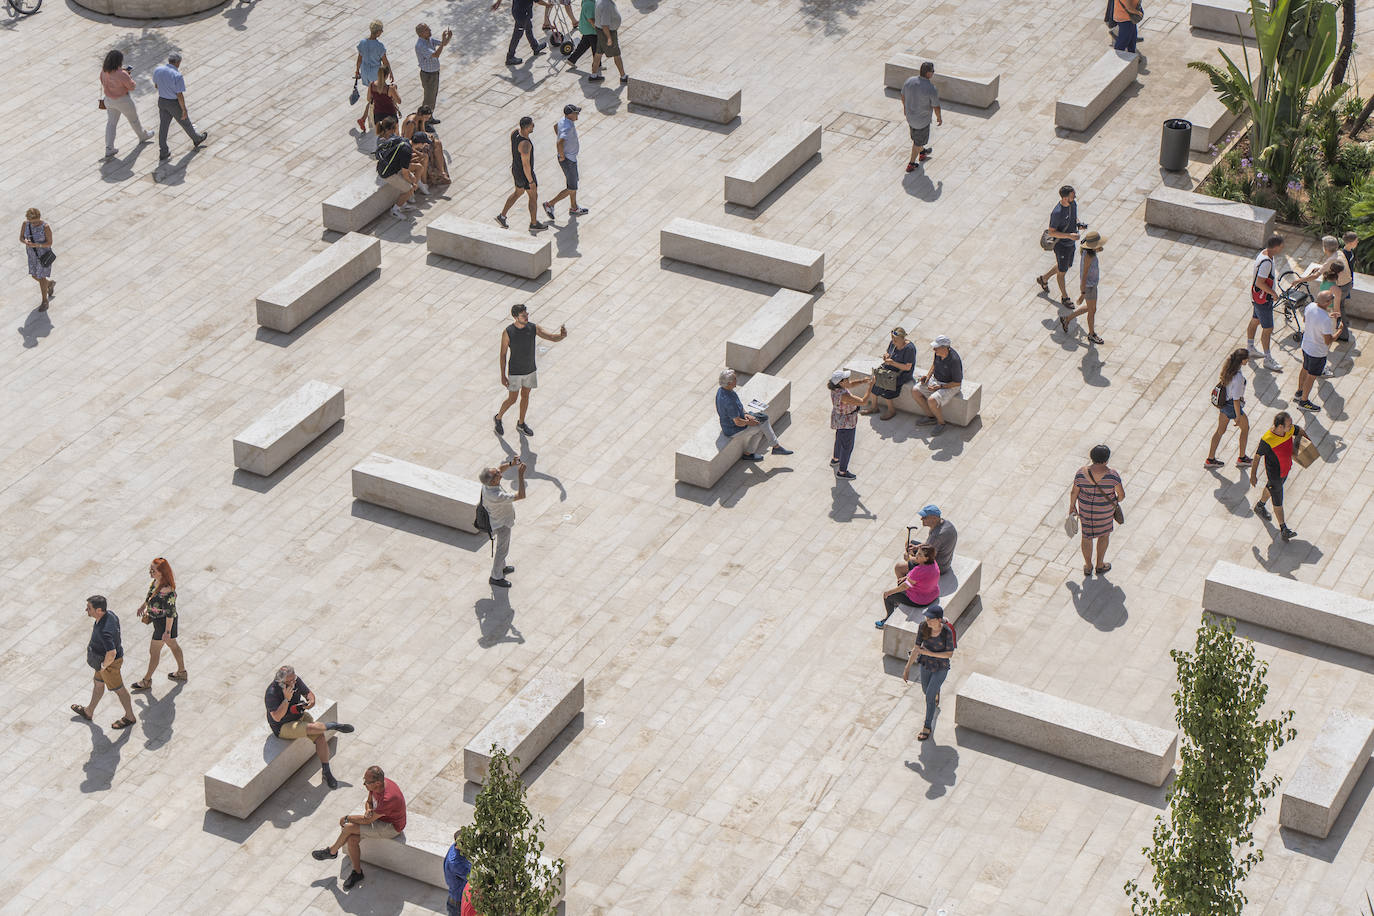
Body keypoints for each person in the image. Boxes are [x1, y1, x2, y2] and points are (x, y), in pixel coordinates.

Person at [312, 765, 407, 890]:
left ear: (377, 782)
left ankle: (332, 851)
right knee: (352, 839)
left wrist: (346, 818)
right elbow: (369, 802)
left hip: (391, 827)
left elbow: (367, 821)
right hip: (380, 819)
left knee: (349, 827)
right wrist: (368, 810)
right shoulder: (376, 786)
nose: (364, 784)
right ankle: (357, 873)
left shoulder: (388, 798)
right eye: (364, 780)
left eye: (367, 782)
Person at [265, 665, 354, 788]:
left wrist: (310, 702)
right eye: (289, 681)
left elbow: (309, 694)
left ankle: (326, 771)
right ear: (280, 682)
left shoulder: (295, 681)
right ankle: (333, 725)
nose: (293, 682)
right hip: (283, 726)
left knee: (320, 738)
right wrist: (286, 699)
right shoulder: (272, 693)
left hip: (298, 715)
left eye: (294, 679)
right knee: (310, 728)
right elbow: (277, 717)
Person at [494, 304, 566, 437]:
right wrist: (503, 375)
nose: (526, 316)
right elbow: (503, 354)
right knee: (512, 399)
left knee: (525, 396)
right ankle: (498, 418)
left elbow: (550, 337)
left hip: (530, 370)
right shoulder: (508, 332)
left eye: (526, 314)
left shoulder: (533, 327)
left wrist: (561, 336)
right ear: (515, 317)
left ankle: (521, 423)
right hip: (515, 372)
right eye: (523, 315)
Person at [71, 596, 138, 730]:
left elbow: (111, 652)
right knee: (98, 683)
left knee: (119, 689)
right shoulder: (110, 615)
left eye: (89, 608)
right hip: (103, 662)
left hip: (108, 664)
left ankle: (130, 716)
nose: (86, 610)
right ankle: (89, 711)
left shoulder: (104, 630)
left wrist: (103, 666)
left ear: (99, 610)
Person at [129, 557, 186, 689]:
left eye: (153, 570)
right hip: (159, 622)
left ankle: (146, 680)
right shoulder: (156, 582)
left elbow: (170, 614)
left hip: (164, 624)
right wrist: (144, 605)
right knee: (173, 645)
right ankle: (182, 672)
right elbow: (150, 596)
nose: (150, 572)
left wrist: (166, 632)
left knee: (154, 652)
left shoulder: (168, 592)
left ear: (161, 572)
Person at [1068, 444, 1125, 576]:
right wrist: (1116, 501)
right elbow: (1121, 495)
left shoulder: (1081, 472)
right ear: (1106, 460)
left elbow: (1074, 492)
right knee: (1104, 535)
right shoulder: (1112, 475)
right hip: (1105, 512)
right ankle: (1100, 564)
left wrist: (1072, 506)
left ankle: (1088, 566)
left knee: (1086, 537)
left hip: (1086, 511)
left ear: (1091, 457)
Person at [901, 607, 956, 742]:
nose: (927, 621)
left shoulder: (946, 632)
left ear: (938, 620)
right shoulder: (923, 627)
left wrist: (928, 653)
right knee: (926, 690)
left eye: (930, 619)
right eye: (926, 618)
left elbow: (949, 654)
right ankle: (935, 691)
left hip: (941, 667)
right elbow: (917, 648)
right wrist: (907, 668)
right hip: (926, 664)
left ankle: (927, 726)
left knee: (929, 697)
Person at [716, 369, 793, 464]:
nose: (737, 380)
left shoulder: (723, 391)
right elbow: (738, 422)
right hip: (733, 429)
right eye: (735, 379)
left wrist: (746, 414)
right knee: (761, 427)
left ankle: (772, 447)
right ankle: (771, 448)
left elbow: (739, 406)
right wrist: (749, 422)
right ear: (729, 383)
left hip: (734, 421)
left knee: (763, 419)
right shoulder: (729, 401)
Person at [1251, 411, 1304, 541]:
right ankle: (1283, 528)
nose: (1291, 426)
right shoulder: (1267, 439)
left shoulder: (1289, 430)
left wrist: (1305, 446)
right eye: (1288, 425)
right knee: (1278, 500)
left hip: (1285, 470)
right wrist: (1253, 476)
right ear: (1280, 426)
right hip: (1275, 474)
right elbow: (1257, 457)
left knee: (1270, 488)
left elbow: (1300, 431)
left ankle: (1260, 505)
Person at [99, 50, 154, 160]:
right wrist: (129, 76)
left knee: (111, 123)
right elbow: (131, 87)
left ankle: (109, 148)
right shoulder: (122, 74)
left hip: (109, 100)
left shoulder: (103, 71)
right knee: (133, 120)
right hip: (122, 100)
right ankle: (143, 136)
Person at [152, 53, 208, 161]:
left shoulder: (158, 70)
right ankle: (196, 139)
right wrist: (184, 109)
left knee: (163, 127)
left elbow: (156, 86)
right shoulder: (177, 75)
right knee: (185, 122)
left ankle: (163, 151)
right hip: (173, 103)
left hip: (162, 101)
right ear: (178, 63)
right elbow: (179, 95)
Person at [482, 458, 525, 588]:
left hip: (498, 519)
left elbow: (500, 468)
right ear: (495, 480)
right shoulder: (496, 495)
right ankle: (496, 576)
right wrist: (520, 475)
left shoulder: (487, 483)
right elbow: (521, 495)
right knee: (502, 550)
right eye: (498, 475)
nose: (500, 473)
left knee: (503, 548)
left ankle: (502, 567)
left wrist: (511, 464)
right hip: (501, 524)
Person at [1205, 348, 1252, 469]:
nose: (1249, 359)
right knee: (1245, 428)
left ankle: (1210, 459)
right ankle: (1242, 458)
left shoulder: (1228, 370)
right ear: (1242, 361)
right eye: (1247, 358)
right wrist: (1237, 416)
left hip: (1224, 405)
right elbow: (1236, 399)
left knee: (1220, 431)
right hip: (1232, 406)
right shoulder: (1238, 378)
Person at [1246, 233, 1285, 372]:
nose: (1282, 248)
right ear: (1275, 247)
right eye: (1281, 246)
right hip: (1264, 300)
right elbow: (1260, 282)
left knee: (1255, 320)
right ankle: (1268, 359)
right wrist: (1273, 293)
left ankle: (1250, 348)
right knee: (1268, 329)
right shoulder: (1267, 262)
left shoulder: (1264, 254)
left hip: (1257, 297)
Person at [1037, 186, 1082, 306]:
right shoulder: (1057, 213)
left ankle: (1044, 278)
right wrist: (1069, 236)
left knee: (1066, 266)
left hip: (1070, 243)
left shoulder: (1073, 204)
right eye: (1073, 196)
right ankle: (1065, 297)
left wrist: (1078, 223)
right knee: (1062, 271)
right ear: (1065, 198)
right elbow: (1051, 232)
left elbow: (1074, 216)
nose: (1075, 197)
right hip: (1061, 245)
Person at [497, 116, 544, 231]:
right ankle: (533, 224)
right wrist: (531, 181)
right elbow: (526, 165)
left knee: (518, 192)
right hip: (524, 174)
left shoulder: (515, 133)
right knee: (533, 195)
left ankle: (502, 216)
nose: (534, 126)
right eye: (532, 125)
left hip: (515, 170)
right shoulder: (525, 144)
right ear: (527, 127)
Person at [877, 543, 940, 629]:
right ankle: (896, 602)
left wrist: (888, 592)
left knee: (888, 597)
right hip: (932, 594)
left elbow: (905, 587)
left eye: (920, 554)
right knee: (901, 583)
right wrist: (907, 577)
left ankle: (887, 620)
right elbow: (920, 577)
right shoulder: (933, 564)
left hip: (920, 601)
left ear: (926, 558)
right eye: (917, 552)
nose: (917, 555)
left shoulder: (919, 570)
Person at [860, 327, 917, 419]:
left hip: (902, 373)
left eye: (895, 340)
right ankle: (874, 407)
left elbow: (907, 367)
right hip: (891, 368)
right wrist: (886, 356)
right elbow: (888, 352)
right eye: (892, 339)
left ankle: (891, 410)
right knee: (874, 381)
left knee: (887, 385)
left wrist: (893, 363)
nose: (893, 341)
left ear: (903, 338)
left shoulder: (909, 349)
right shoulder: (893, 343)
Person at [543, 105, 588, 219]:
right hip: (568, 160)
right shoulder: (567, 127)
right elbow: (559, 142)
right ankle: (550, 204)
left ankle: (574, 207)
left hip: (571, 158)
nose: (577, 114)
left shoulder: (563, 121)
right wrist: (562, 155)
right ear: (570, 114)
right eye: (576, 113)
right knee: (572, 187)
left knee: (573, 183)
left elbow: (555, 127)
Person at [1294, 290, 1336, 413]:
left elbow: (1306, 321)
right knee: (1311, 377)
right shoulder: (1325, 320)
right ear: (1327, 302)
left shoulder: (1310, 306)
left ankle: (1299, 392)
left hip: (1306, 346)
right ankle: (1304, 401)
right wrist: (1338, 331)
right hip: (1317, 352)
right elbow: (1328, 340)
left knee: (1305, 368)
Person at [1060, 230, 1105, 344]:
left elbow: (1099, 248)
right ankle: (1091, 334)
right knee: (1092, 310)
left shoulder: (1089, 252)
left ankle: (1067, 319)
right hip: (1089, 286)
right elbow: (1084, 275)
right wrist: (1082, 293)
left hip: (1092, 285)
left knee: (1091, 308)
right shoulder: (1089, 257)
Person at [828, 369, 873, 480]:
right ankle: (842, 472)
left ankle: (836, 459)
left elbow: (850, 384)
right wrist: (871, 386)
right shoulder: (844, 396)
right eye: (846, 379)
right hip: (847, 422)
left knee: (839, 439)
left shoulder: (836, 388)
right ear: (841, 382)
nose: (849, 380)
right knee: (847, 447)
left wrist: (863, 381)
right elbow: (862, 401)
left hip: (839, 419)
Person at [911, 335, 962, 430]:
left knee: (932, 400)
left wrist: (939, 387)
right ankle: (930, 417)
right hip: (936, 380)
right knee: (915, 391)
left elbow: (957, 383)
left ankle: (941, 423)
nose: (934, 349)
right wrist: (927, 376)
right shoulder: (938, 354)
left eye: (936, 347)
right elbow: (934, 364)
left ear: (944, 348)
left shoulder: (954, 361)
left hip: (950, 385)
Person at [899, 61, 941, 173]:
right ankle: (911, 164)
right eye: (932, 71)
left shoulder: (909, 81)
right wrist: (939, 118)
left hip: (910, 118)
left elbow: (902, 95)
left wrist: (905, 109)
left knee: (917, 138)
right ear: (928, 73)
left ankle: (922, 153)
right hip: (922, 121)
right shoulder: (931, 88)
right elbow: (936, 106)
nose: (933, 73)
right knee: (917, 143)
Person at [375, 117, 420, 219]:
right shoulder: (382, 141)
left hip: (394, 167)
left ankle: (403, 204)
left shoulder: (393, 138)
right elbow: (404, 172)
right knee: (409, 188)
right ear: (393, 128)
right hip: (387, 172)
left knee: (411, 178)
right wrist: (412, 184)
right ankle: (395, 210)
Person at [896, 505, 957, 579]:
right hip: (944, 560)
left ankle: (905, 589)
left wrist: (910, 558)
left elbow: (927, 559)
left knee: (899, 567)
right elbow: (930, 544)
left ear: (934, 518)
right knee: (909, 545)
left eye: (925, 517)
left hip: (938, 568)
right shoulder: (944, 523)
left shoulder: (937, 535)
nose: (921, 519)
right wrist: (916, 547)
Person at [354, 20, 390, 130]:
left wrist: (357, 71)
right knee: (377, 96)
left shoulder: (362, 43)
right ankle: (365, 118)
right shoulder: (379, 46)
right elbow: (385, 62)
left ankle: (365, 118)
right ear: (378, 32)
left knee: (373, 95)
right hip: (376, 73)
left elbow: (359, 59)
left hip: (365, 71)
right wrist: (390, 73)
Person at [402, 107, 451, 184]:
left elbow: (423, 132)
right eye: (426, 117)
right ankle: (435, 176)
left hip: (420, 141)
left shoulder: (420, 119)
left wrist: (428, 135)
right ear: (420, 114)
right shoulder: (411, 123)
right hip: (413, 145)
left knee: (438, 143)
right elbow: (406, 140)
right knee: (429, 152)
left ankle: (441, 172)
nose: (427, 119)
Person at [492, 0, 547, 66]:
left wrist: (498, 2)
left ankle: (535, 47)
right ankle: (510, 57)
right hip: (521, 15)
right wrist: (548, 5)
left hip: (519, 11)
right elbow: (538, 1)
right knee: (517, 35)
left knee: (528, 28)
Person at [414, 23, 451, 116]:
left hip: (434, 73)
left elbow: (443, 43)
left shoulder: (429, 39)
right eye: (427, 29)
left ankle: (429, 117)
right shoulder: (421, 45)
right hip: (428, 75)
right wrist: (443, 42)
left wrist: (448, 37)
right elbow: (436, 54)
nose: (430, 30)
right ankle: (423, 119)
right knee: (428, 98)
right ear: (421, 33)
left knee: (433, 97)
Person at [20, 208, 53, 311]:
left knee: (41, 277)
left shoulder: (45, 227)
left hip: (43, 255)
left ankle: (44, 301)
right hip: (32, 255)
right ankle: (49, 284)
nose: (35, 223)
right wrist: (25, 241)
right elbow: (21, 237)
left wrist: (37, 244)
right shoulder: (26, 224)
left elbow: (50, 242)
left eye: (37, 221)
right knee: (34, 275)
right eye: (33, 222)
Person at [589, 0, 627, 84]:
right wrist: (609, 38)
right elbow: (605, 25)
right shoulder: (606, 6)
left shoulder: (601, 1)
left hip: (601, 31)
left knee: (598, 53)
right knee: (616, 54)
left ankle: (593, 76)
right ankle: (623, 77)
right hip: (607, 32)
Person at [366, 64, 402, 135]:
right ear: (387, 75)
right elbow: (399, 101)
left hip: (378, 115)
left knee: (381, 136)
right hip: (390, 115)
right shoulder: (390, 88)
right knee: (396, 135)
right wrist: (395, 90)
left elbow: (368, 99)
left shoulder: (371, 85)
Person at [444, 833, 473, 916]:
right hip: (458, 904)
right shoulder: (457, 864)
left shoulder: (455, 847)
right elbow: (473, 878)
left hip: (455, 899)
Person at [567, 0, 597, 67]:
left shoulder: (586, 1)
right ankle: (597, 65)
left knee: (583, 46)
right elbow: (590, 19)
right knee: (596, 48)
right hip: (591, 30)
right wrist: (598, 29)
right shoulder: (589, 4)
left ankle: (571, 60)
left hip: (586, 28)